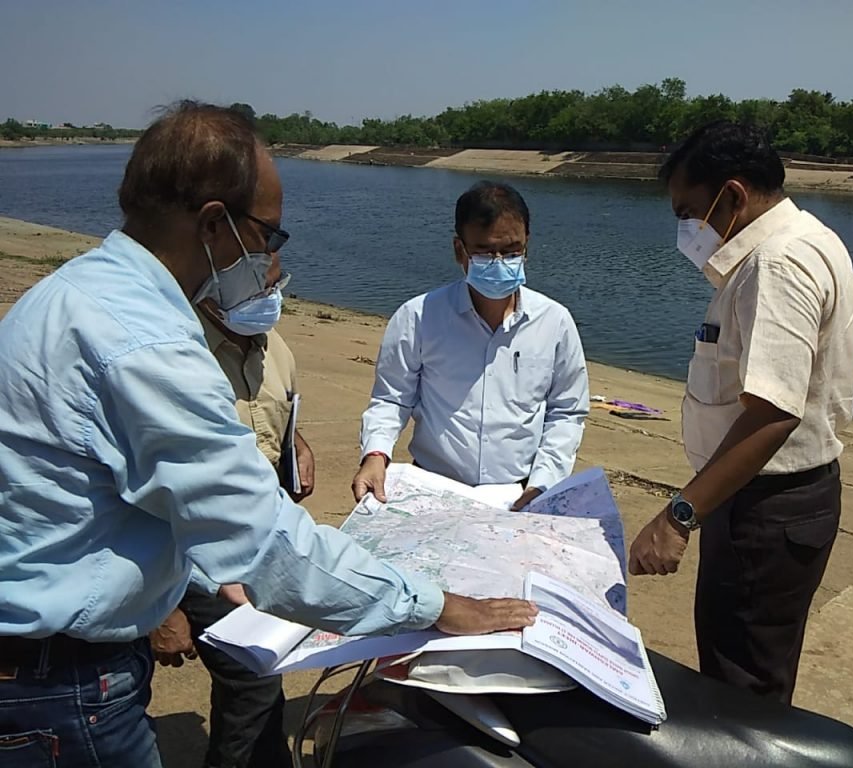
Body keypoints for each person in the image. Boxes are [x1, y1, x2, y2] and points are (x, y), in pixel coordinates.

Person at [0, 102, 535, 766]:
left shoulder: (78, 292)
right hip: (61, 685)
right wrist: (436, 605)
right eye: (269, 236)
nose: (271, 258)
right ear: (214, 225)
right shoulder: (146, 344)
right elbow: (267, 544)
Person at [628, 121, 853, 704]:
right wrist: (818, 380)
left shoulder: (776, 263)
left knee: (740, 689)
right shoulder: (813, 236)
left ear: (732, 196)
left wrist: (679, 516)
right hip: (778, 498)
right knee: (757, 669)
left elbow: (772, 415)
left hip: (765, 509)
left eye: (690, 212)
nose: (688, 230)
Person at [151, 251, 309, 768]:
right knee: (250, 676)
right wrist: (162, 606)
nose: (272, 298)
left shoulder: (273, 346)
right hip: (190, 559)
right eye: (260, 287)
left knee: (264, 672)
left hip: (256, 548)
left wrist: (296, 444)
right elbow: (144, 486)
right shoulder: (175, 358)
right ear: (216, 288)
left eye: (276, 284)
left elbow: (274, 415)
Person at [352, 181, 589, 509]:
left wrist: (543, 483)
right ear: (459, 250)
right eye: (484, 252)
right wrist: (375, 455)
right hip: (433, 489)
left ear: (527, 246)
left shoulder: (554, 322)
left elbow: (566, 410)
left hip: (520, 494)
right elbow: (391, 398)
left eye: (511, 251)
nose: (499, 262)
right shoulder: (419, 317)